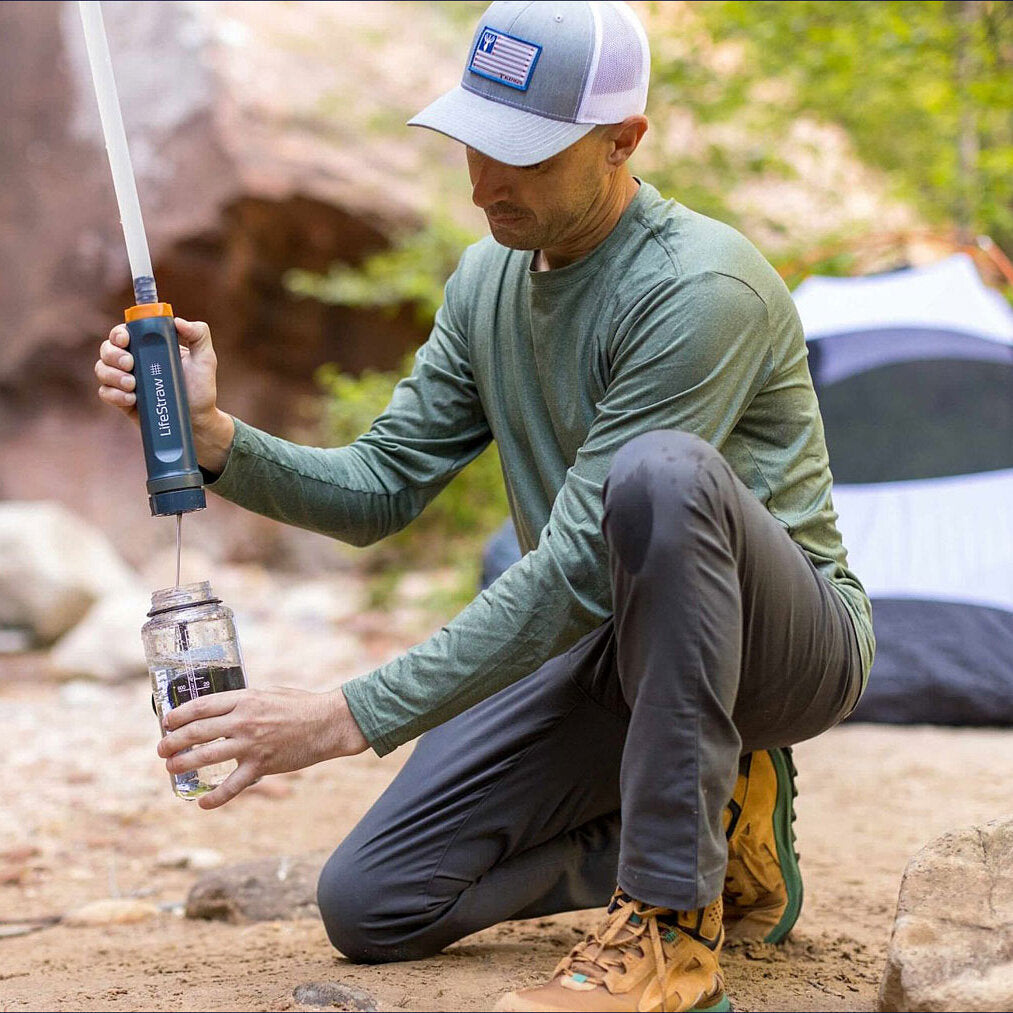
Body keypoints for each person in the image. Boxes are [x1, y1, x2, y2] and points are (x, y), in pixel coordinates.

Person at [95, 3, 874, 1010]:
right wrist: (215, 440)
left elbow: (576, 568)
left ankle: (669, 927)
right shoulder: (487, 280)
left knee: (658, 477)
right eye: (474, 139)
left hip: (777, 649)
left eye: (524, 154)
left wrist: (339, 715)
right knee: (371, 902)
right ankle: (717, 820)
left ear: (620, 141)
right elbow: (379, 487)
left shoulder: (699, 287)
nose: (484, 180)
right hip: (607, 646)